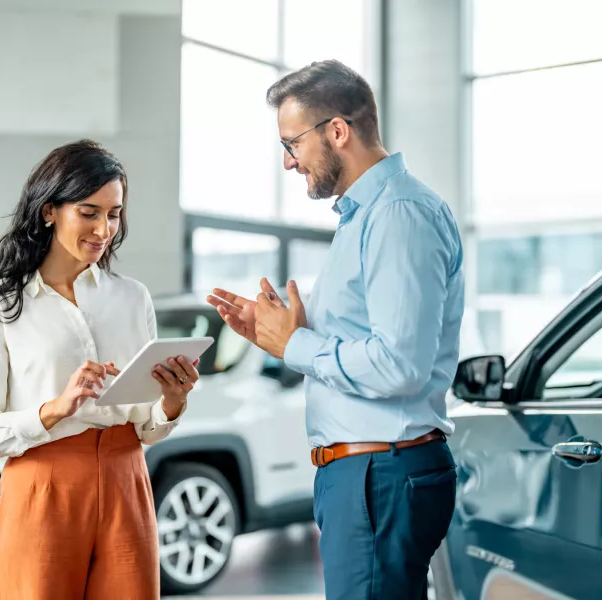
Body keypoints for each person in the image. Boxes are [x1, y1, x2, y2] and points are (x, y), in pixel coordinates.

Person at [207, 60, 464, 599]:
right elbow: (360, 340)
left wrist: (296, 343)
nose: (287, 162)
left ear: (338, 131)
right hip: (366, 475)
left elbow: (400, 365)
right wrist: (279, 332)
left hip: (380, 475)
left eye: (292, 143)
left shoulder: (398, 215)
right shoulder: (364, 219)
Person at [0, 139, 199, 600]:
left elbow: (146, 427)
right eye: (89, 212)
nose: (104, 229)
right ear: (49, 210)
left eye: (114, 214)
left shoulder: (132, 297)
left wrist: (172, 402)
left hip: (128, 480)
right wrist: (54, 408)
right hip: (43, 485)